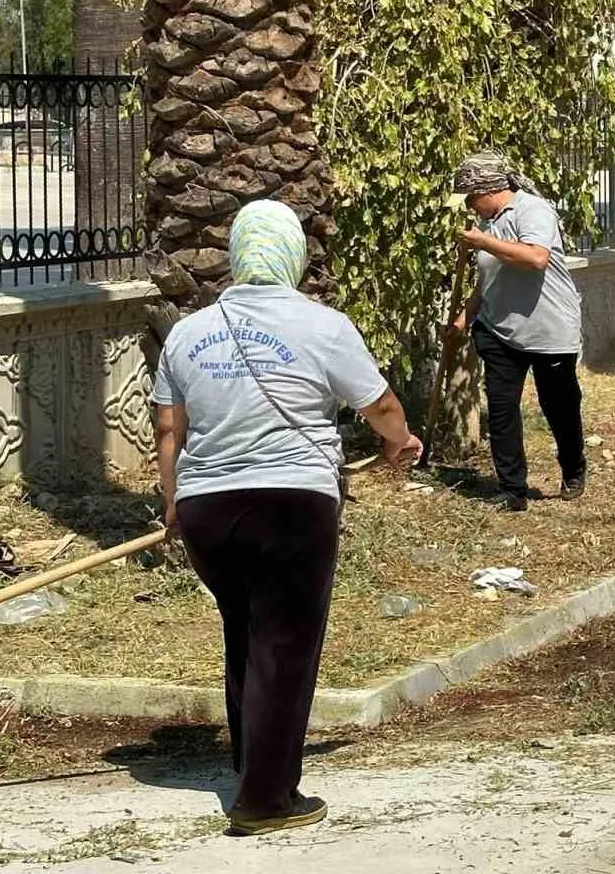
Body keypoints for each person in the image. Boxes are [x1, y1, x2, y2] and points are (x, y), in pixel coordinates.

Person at [152, 200, 422, 837]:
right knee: (285, 642)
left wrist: (172, 502)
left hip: (207, 510)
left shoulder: (188, 332)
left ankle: (253, 763)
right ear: (292, 255)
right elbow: (379, 404)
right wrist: (400, 442)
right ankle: (267, 798)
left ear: (239, 255)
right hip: (291, 504)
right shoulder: (323, 325)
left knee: (246, 632)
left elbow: (169, 427)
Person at [450, 152, 586, 513]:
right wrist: (465, 317)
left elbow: (534, 259)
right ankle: (512, 489)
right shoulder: (487, 223)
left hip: (548, 330)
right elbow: (488, 280)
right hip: (498, 330)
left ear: (487, 190)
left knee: (558, 405)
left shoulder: (533, 211)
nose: (468, 205)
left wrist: (483, 242)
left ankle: (573, 466)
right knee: (501, 407)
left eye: (469, 197)